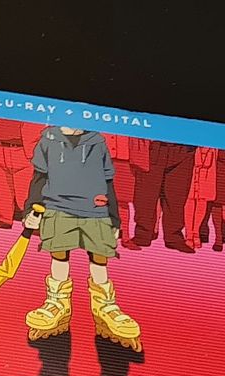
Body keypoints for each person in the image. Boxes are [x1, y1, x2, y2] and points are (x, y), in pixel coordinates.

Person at [21, 126, 140, 351]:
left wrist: (114, 218)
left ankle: (105, 306)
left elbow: (108, 182)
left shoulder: (98, 142)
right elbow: (39, 178)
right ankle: (57, 303)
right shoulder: (48, 141)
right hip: (58, 208)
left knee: (99, 257)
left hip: (95, 211)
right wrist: (31, 209)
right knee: (59, 255)